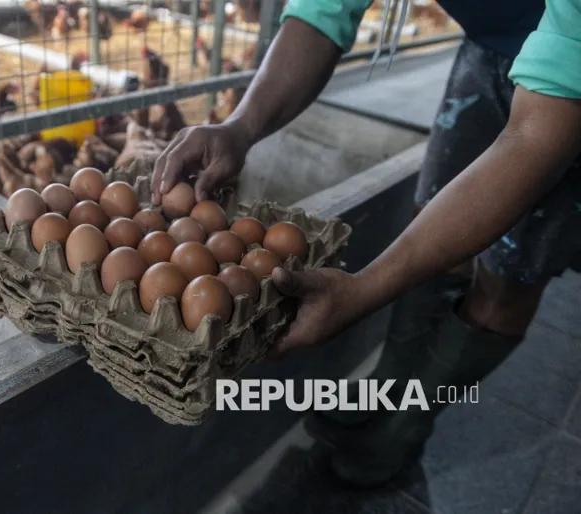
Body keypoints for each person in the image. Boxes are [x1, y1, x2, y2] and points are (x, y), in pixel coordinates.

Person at [152, 0, 581, 488]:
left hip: (573, 74)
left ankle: (403, 428)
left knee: (510, 277)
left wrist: (364, 290)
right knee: (438, 226)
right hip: (491, 48)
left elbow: (537, 134)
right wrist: (240, 127)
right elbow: (324, 11)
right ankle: (391, 389)